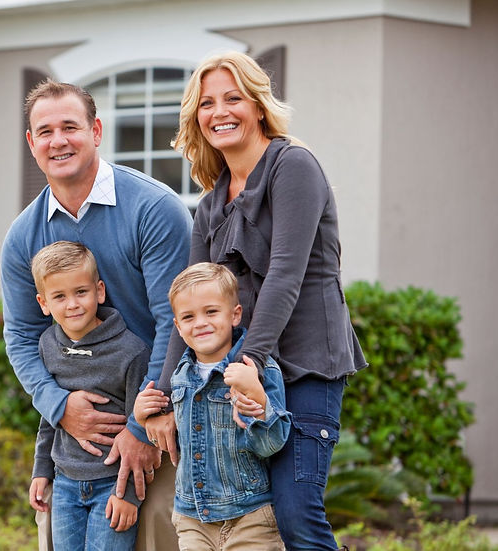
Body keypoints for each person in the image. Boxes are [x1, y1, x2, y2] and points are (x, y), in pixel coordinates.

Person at [146, 51, 368, 550]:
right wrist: (161, 397)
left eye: (233, 98)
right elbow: (189, 302)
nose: (219, 111)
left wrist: (248, 361)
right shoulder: (209, 205)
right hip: (245, 375)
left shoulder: (294, 168)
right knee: (250, 520)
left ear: (259, 106)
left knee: (296, 515)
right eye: (207, 103)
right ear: (195, 118)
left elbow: (286, 274)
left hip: (305, 366)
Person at [1, 79, 192, 551]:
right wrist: (59, 406)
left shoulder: (154, 208)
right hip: (74, 442)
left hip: (160, 415)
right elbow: (23, 335)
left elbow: (177, 324)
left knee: (152, 539)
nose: (58, 140)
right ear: (31, 143)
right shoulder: (23, 236)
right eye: (45, 131)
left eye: (71, 126)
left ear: (97, 130)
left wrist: (141, 426)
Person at [135, 262, 290, 550]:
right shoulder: (178, 377)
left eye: (211, 312)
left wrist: (257, 396)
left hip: (250, 516)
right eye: (189, 316)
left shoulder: (257, 370)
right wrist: (143, 418)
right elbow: (183, 442)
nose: (201, 323)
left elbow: (272, 443)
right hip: (193, 518)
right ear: (178, 327)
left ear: (235, 315)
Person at [28, 241, 148, 549]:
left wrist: (129, 496)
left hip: (113, 486)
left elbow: (142, 427)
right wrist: (41, 471)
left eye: (81, 292)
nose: (72, 304)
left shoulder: (131, 352)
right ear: (44, 303)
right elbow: (50, 416)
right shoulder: (48, 345)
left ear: (100, 291)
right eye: (59, 296)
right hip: (66, 483)